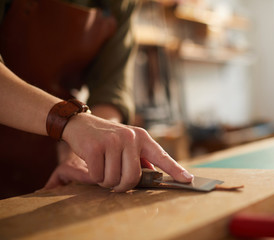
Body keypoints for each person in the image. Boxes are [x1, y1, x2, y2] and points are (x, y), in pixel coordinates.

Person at [0, 0, 193, 197]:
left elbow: (110, 90)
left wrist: (86, 151)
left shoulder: (123, 4)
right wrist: (69, 122)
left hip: (56, 166)